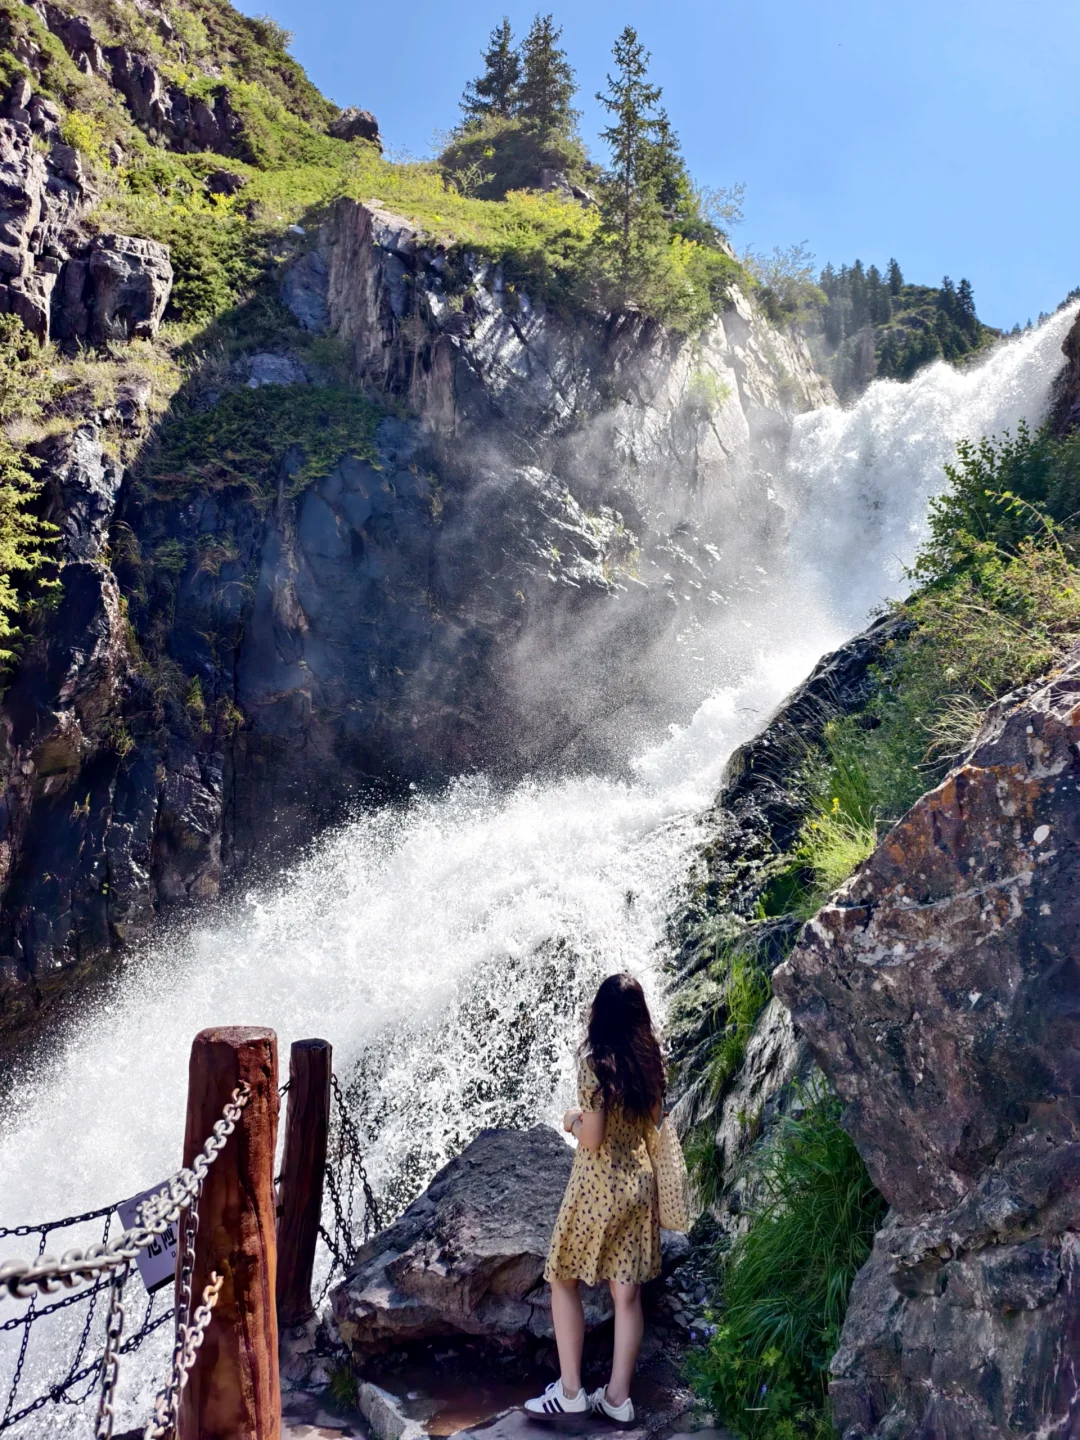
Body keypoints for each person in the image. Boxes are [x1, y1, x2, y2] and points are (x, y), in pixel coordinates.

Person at [524, 973, 665, 1425]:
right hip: (639, 1184)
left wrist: (570, 1120)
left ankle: (570, 1393)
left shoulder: (595, 1064)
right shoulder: (650, 1061)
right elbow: (653, 1121)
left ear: (599, 1015)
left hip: (598, 1187)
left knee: (562, 1277)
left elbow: (593, 1136)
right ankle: (618, 1399)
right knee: (627, 1296)